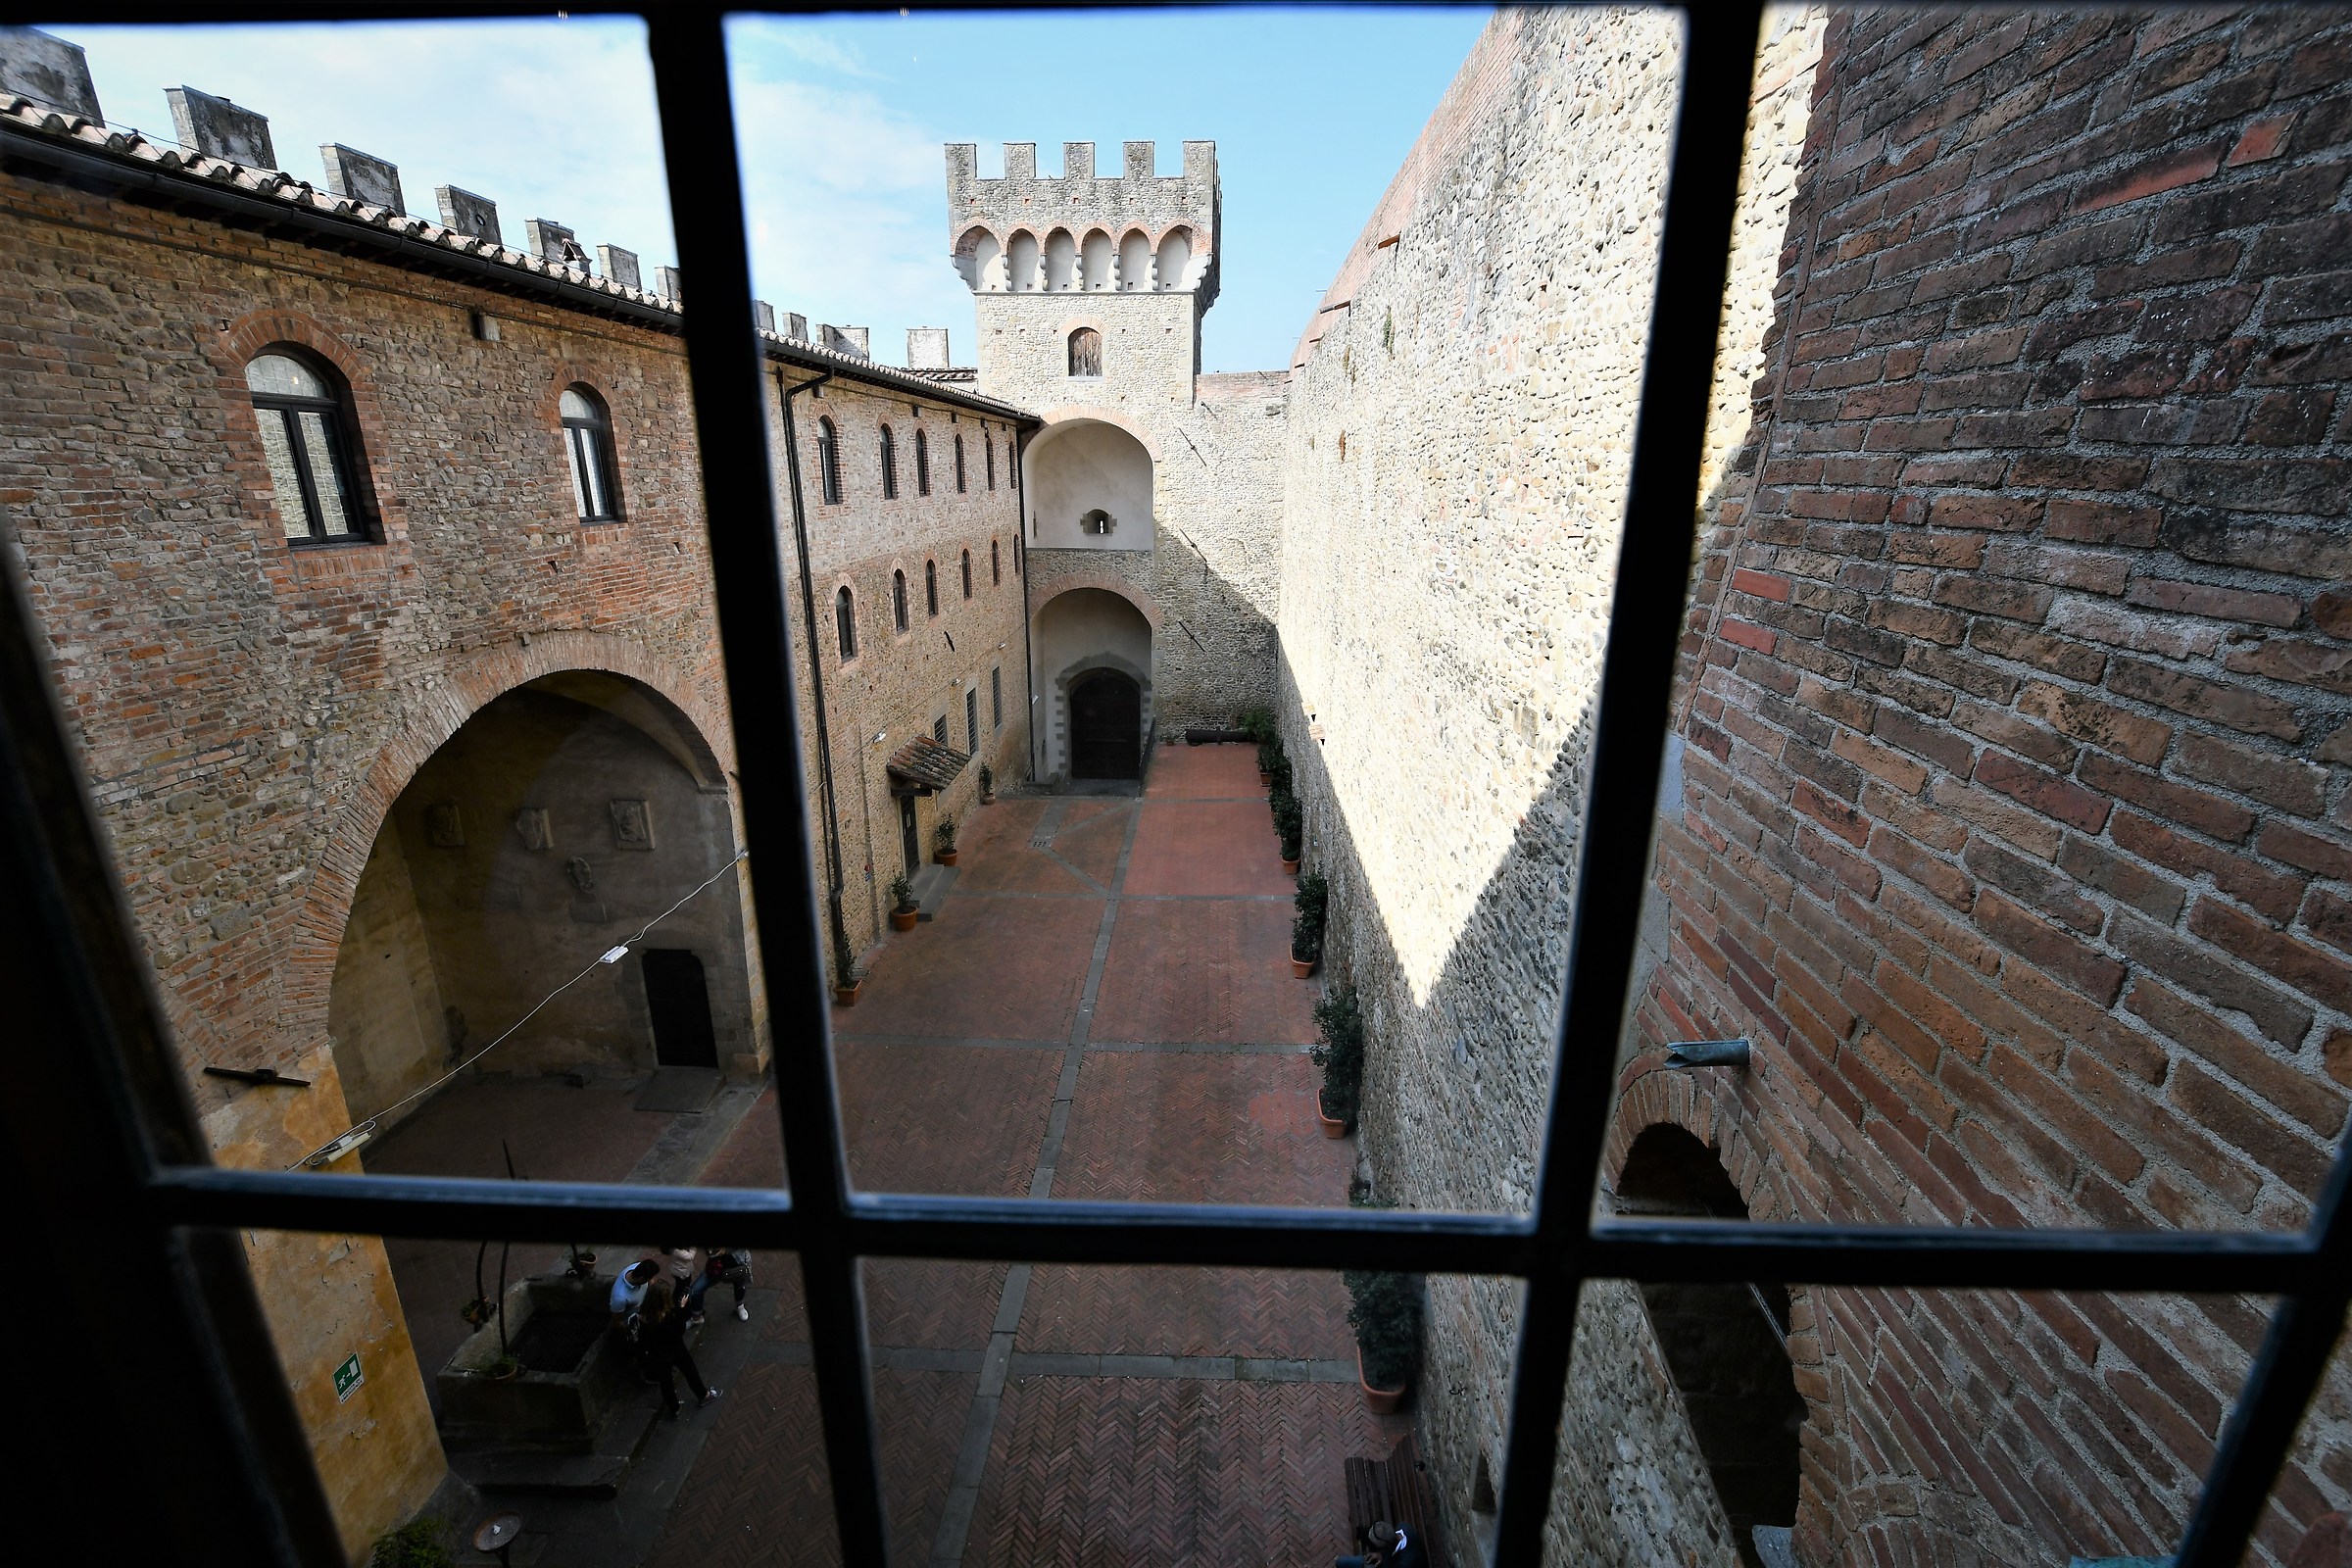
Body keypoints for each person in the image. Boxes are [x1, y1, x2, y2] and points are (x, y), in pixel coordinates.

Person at [636, 1278, 720, 1420]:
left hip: (657, 1354)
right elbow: (679, 1329)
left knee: (666, 1383)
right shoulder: (669, 1316)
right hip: (675, 1349)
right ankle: (703, 1395)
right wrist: (682, 1308)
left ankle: (674, 1408)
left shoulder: (644, 1315)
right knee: (690, 1371)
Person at [1337, 1521, 1426, 1568]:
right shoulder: (1402, 1527)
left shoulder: (1405, 1563)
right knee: (1341, 1562)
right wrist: (1381, 1555)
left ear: (1386, 1546)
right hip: (1386, 1561)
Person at [705, 1246, 754, 1322]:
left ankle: (739, 1305)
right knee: (699, 1287)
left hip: (737, 1259)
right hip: (718, 1261)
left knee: (739, 1284)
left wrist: (726, 1250)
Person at [608, 1257, 661, 1326]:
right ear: (641, 1278)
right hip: (629, 1316)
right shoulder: (619, 1298)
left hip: (639, 1307)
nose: (652, 1280)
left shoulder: (638, 1267)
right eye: (649, 1279)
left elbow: (651, 1281)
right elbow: (617, 1321)